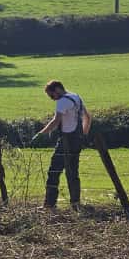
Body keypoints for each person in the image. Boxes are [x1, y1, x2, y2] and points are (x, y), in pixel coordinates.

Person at [34, 80, 91, 209]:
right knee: (73, 172)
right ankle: (75, 204)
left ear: (58, 89)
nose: (52, 99)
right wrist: (84, 134)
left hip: (66, 140)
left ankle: (49, 204)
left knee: (54, 171)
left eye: (51, 95)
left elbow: (55, 121)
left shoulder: (62, 101)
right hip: (77, 140)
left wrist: (41, 134)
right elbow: (87, 117)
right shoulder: (76, 97)